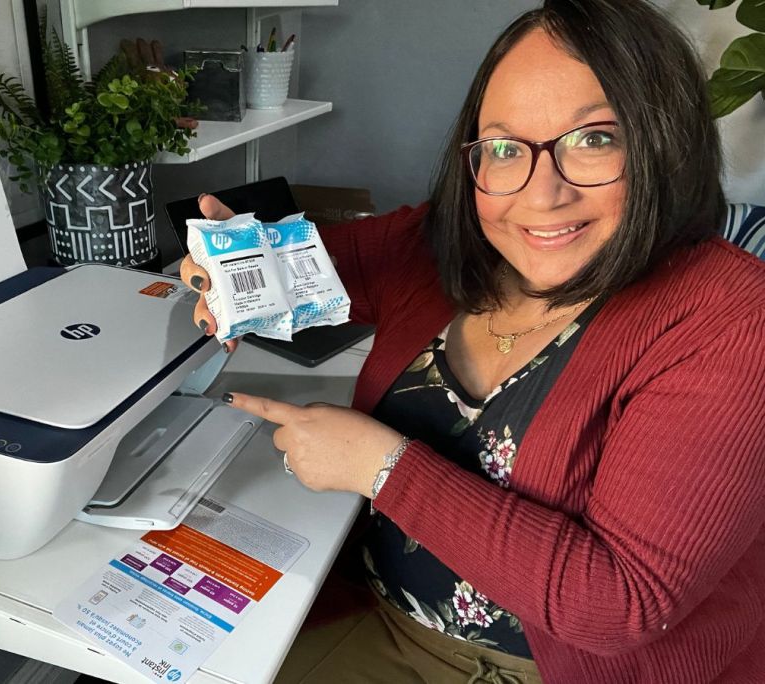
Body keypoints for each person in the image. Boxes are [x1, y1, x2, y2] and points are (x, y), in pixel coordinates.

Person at [180, 0, 765, 681]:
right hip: (374, 609)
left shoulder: (732, 321)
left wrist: (382, 468)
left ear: (666, 145)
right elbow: (323, 266)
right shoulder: (449, 243)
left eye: (594, 139)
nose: (540, 195)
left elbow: (623, 603)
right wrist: (237, 265)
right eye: (505, 148)